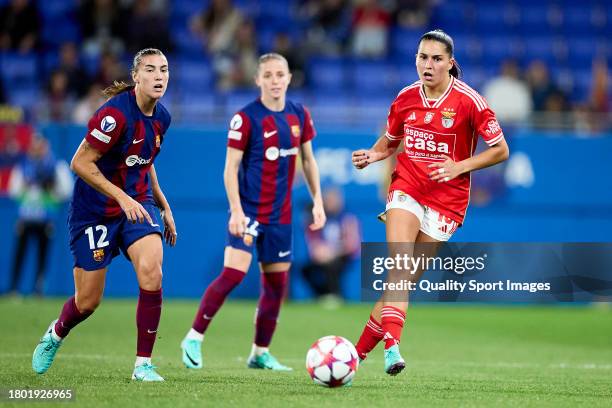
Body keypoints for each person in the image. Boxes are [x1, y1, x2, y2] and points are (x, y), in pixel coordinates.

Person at [351, 30, 509, 375]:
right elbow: (390, 141)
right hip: (407, 188)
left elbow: (501, 150)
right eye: (423, 57)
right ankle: (393, 346)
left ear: (450, 64)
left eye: (437, 59)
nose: (428, 64)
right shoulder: (406, 97)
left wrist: (459, 166)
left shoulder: (471, 102)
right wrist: (372, 155)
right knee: (399, 263)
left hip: (447, 202)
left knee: (403, 279)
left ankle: (355, 356)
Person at [31, 48, 177, 382]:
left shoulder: (162, 118)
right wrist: (121, 198)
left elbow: (145, 160)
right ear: (136, 76)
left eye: (164, 70)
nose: (159, 76)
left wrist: (164, 205)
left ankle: (143, 365)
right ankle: (56, 333)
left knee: (152, 270)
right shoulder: (114, 115)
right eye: (151, 70)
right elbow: (79, 163)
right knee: (87, 301)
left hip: (136, 204)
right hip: (95, 211)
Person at [181, 53, 326, 371]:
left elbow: (308, 161)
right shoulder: (245, 119)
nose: (275, 81)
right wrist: (235, 211)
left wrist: (318, 201)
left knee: (276, 286)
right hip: (248, 213)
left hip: (281, 216)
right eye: (269, 75)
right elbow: (230, 169)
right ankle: (194, 336)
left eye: (280, 75)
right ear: (258, 80)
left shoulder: (300, 115)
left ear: (289, 78)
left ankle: (259, 352)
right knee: (233, 274)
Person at [8, 135, 72, 296]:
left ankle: (39, 288)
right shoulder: (24, 166)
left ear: (46, 146)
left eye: (40, 145)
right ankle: (14, 288)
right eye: (34, 146)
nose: (37, 149)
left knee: (43, 254)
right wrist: (28, 191)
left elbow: (67, 190)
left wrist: (51, 192)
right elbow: (13, 190)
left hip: (46, 217)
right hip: (26, 216)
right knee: (20, 253)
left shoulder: (55, 165)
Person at [302, 187, 360, 303]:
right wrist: (319, 251)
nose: (330, 203)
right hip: (323, 255)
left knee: (333, 266)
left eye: (333, 200)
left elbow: (352, 244)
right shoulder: (319, 218)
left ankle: (336, 295)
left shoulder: (347, 218)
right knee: (306, 270)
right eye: (328, 200)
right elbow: (313, 240)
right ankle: (322, 295)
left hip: (343, 255)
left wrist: (332, 252)